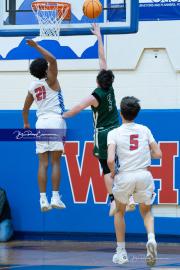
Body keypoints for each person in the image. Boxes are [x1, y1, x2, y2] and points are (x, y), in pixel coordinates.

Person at [62, 23, 135, 216]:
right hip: (118, 130)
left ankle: (113, 201)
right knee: (123, 164)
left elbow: (75, 110)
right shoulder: (110, 87)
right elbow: (102, 59)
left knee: (106, 168)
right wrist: (99, 37)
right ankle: (130, 197)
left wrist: (60, 114)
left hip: (103, 134)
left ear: (97, 81)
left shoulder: (94, 96)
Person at [107, 96, 162, 267]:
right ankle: (151, 240)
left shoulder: (114, 133)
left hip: (124, 176)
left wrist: (112, 172)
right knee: (146, 213)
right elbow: (158, 154)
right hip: (143, 175)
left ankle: (121, 253)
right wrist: (147, 155)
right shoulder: (145, 130)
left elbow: (110, 159)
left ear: (120, 113)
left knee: (119, 212)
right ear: (136, 113)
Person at [23, 40, 66, 212]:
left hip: (40, 123)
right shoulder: (52, 81)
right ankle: (55, 197)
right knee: (56, 163)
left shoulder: (33, 87)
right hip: (55, 120)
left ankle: (42, 199)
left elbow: (25, 109)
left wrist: (26, 123)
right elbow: (54, 59)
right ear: (46, 70)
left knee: (43, 164)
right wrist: (36, 47)